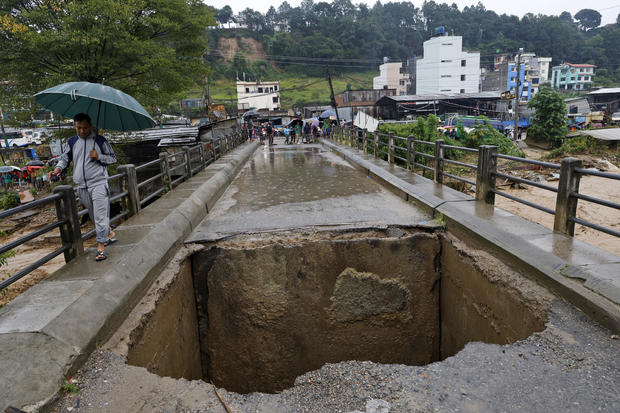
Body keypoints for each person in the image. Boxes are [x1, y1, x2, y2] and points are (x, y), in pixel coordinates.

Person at [49, 113, 117, 262]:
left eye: (85, 128)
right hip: (81, 186)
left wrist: (98, 156)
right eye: (79, 128)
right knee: (93, 216)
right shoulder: (72, 142)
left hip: (98, 183)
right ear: (75, 126)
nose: (82, 131)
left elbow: (113, 158)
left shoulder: (100, 140)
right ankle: (109, 233)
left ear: (90, 126)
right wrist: (57, 170)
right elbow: (64, 159)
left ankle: (101, 248)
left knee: (100, 217)